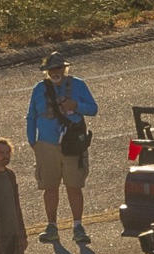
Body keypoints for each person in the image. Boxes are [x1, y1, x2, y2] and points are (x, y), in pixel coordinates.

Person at [26, 51, 98, 244]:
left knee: (74, 186)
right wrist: (32, 141)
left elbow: (93, 109)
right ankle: (52, 226)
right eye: (51, 69)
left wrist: (76, 105)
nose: (55, 72)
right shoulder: (39, 89)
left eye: (58, 68)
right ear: (46, 72)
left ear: (65, 69)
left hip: (73, 144)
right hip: (46, 146)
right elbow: (31, 116)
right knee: (50, 188)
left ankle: (78, 226)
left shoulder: (79, 85)